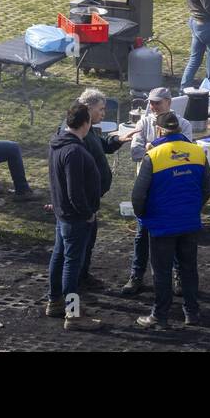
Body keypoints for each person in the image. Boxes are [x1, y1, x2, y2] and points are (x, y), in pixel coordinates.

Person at [132, 112, 210, 329]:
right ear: (178, 128)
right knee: (188, 268)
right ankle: (192, 313)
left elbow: (138, 194)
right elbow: (209, 187)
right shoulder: (197, 152)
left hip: (161, 225)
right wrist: (194, 206)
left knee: (162, 271)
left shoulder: (153, 155)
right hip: (189, 222)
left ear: (159, 130)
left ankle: (160, 315)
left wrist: (143, 215)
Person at [125, 87, 194, 296]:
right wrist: (163, 149)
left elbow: (186, 154)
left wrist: (151, 147)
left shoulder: (184, 125)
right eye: (151, 103)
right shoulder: (144, 122)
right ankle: (136, 275)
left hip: (171, 189)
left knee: (172, 233)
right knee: (141, 235)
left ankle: (178, 275)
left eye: (157, 103)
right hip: (147, 188)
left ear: (168, 102)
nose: (153, 107)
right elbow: (135, 152)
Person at [46, 103, 103, 331]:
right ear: (85, 123)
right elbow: (75, 191)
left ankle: (55, 301)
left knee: (59, 257)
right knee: (72, 265)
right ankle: (73, 314)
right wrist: (88, 213)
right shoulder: (75, 152)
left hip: (62, 215)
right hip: (75, 218)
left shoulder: (57, 144)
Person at [70, 89, 134, 291]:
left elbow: (101, 145)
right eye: (101, 109)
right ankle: (73, 290)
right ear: (87, 109)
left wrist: (117, 140)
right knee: (76, 246)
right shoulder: (75, 134)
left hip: (92, 197)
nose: (103, 114)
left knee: (88, 241)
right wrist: (85, 206)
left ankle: (83, 275)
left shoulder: (89, 129)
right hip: (82, 201)